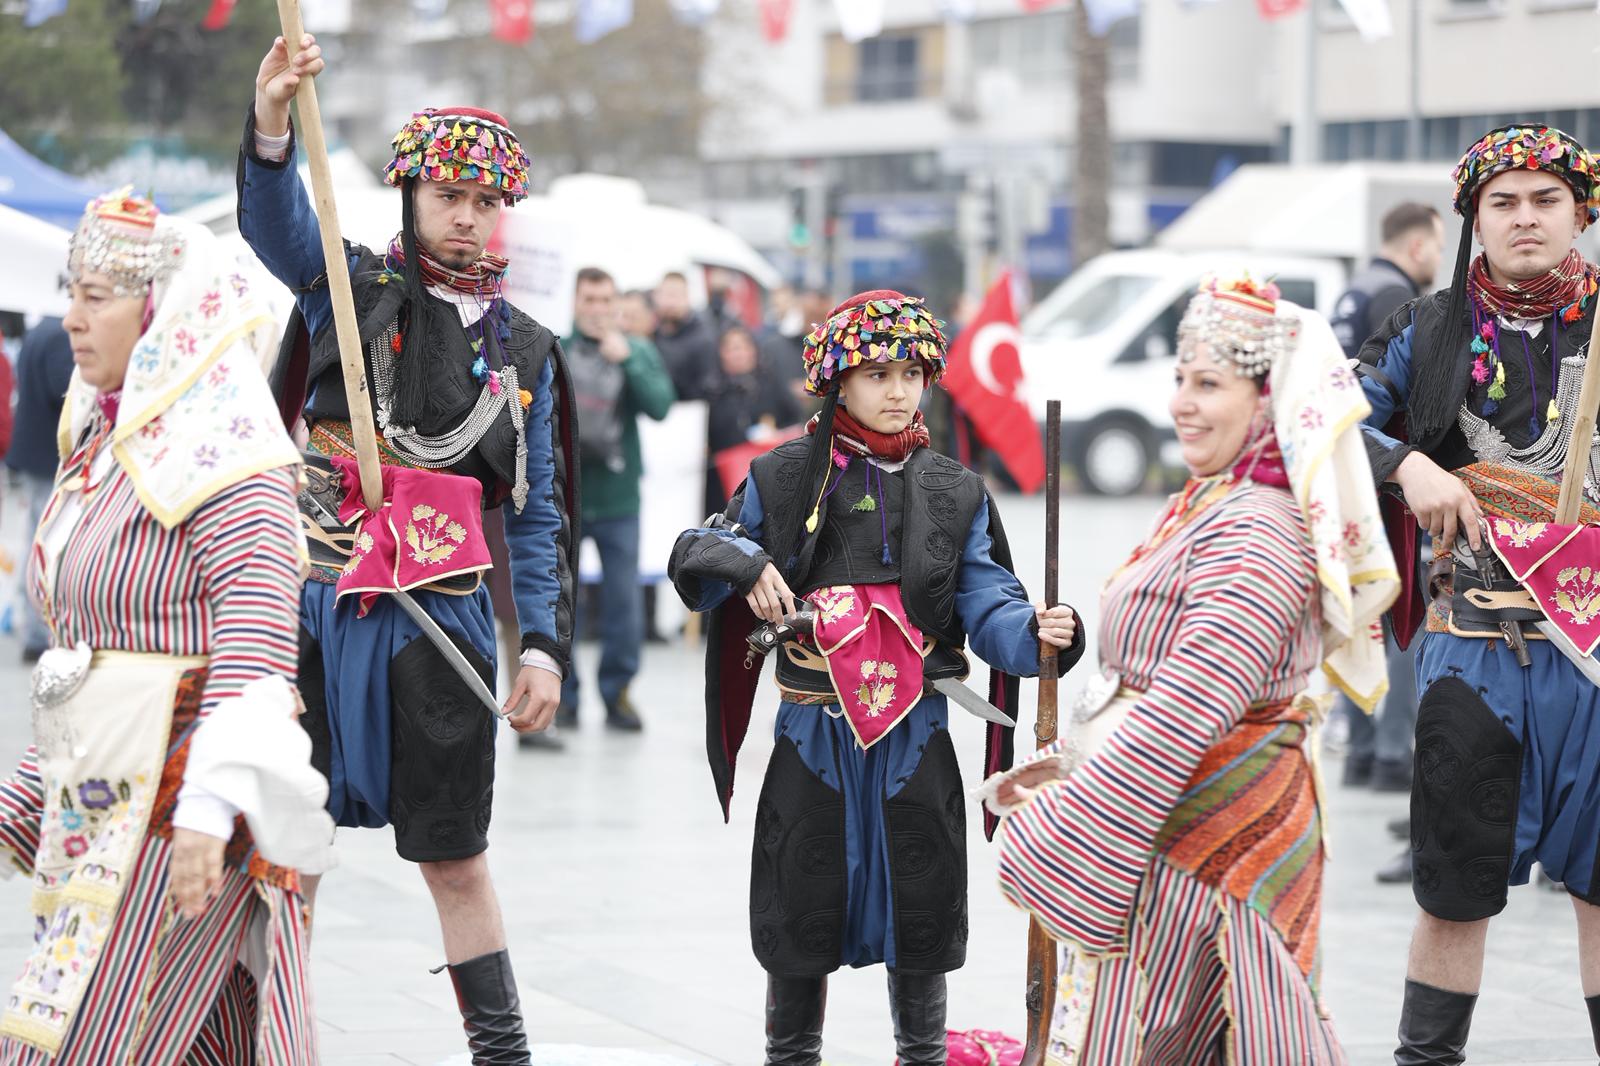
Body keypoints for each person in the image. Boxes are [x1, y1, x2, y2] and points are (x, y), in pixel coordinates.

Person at [241, 35, 578, 1062]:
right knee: (276, 848)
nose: (467, 215)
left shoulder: (525, 349)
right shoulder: (347, 287)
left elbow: (536, 513)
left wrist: (541, 648)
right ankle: (257, 1035)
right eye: (446, 196)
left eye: (485, 200)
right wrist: (268, 125)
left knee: (456, 857)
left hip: (442, 625)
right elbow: (276, 223)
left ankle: (502, 1052)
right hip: (316, 604)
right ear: (410, 198)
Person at [985, 276, 1397, 1064]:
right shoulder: (1217, 497)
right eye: (1180, 379)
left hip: (1214, 842)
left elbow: (1188, 707)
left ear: (1268, 399)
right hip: (1174, 828)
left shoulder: (1261, 533)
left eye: (1209, 384)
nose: (1182, 402)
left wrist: (1071, 828)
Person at [668, 289, 1082, 1066]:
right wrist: (748, 560)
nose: (898, 392)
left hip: (916, 734)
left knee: (922, 918)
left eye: (912, 374)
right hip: (811, 732)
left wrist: (1037, 635)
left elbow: (989, 601)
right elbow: (695, 550)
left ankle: (919, 1055)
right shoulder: (784, 476)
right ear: (838, 380)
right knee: (798, 918)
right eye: (878, 374)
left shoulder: (957, 493)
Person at [0, 189, 332, 1063]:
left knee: (80, 1040)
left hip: (186, 817)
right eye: (70, 292)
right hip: (104, 801)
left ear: (165, 311)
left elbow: (258, 647)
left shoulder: (233, 458)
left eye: (96, 296)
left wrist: (205, 813)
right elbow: (85, 659)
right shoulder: (107, 453)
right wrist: (20, 804)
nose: (70, 318)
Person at [1354, 123, 1600, 1064]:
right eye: (1504, 201)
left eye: (1546, 200)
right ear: (1473, 217)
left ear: (1579, 212)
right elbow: (1324, 419)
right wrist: (1407, 461)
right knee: (1452, 890)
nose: (1525, 218)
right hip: (1472, 652)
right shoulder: (1427, 328)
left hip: (1595, 659)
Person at [558, 267, 674, 734]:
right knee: (562, 600)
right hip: (566, 497)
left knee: (624, 604)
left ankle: (618, 695)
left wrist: (627, 360)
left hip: (619, 499)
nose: (598, 309)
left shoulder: (637, 349)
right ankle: (563, 697)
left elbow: (661, 406)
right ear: (575, 302)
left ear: (616, 305)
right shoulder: (556, 350)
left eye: (606, 300)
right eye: (589, 299)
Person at [5, 319, 72, 662]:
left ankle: (26, 621)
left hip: (32, 451)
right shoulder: (60, 336)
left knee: (36, 535)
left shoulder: (38, 333)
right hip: (49, 455)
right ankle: (36, 630)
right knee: (46, 541)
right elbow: (63, 388)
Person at [702, 323, 800, 514]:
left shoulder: (771, 381)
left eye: (743, 346)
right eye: (731, 348)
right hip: (725, 484)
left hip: (769, 476)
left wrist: (776, 434)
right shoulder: (711, 391)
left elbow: (794, 418)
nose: (738, 354)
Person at [1330, 202, 1445, 359]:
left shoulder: (1358, 285)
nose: (1440, 260)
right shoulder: (1394, 295)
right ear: (1417, 249)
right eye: (1439, 249)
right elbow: (1399, 371)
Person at [652, 270, 717, 401]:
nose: (671, 302)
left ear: (687, 298)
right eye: (666, 295)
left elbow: (707, 388)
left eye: (676, 295)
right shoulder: (652, 334)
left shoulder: (703, 338)